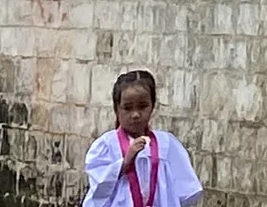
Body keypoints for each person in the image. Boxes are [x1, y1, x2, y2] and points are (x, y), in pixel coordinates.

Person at [84, 66, 202, 207]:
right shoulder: (107, 145)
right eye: (127, 108)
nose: (135, 114)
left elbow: (184, 190)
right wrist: (123, 164)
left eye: (143, 106)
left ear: (152, 106)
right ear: (117, 108)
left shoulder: (167, 144)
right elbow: (98, 189)